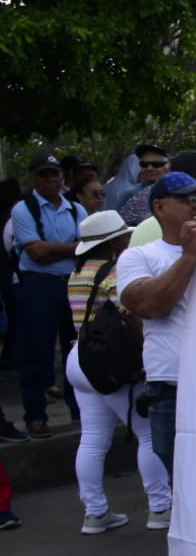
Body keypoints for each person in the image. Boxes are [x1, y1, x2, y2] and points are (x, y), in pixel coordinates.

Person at [65, 212, 171, 534]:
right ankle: (161, 508)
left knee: (93, 438)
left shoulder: (78, 273)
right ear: (115, 242)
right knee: (148, 432)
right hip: (111, 363)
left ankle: (95, 513)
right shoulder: (115, 274)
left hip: (79, 358)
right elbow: (133, 316)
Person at [117, 172, 196, 478]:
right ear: (160, 208)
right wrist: (189, 256)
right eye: (189, 200)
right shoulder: (138, 256)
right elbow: (150, 305)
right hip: (172, 389)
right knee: (184, 481)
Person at [10, 150, 88, 439]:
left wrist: (55, 248)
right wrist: (70, 248)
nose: (51, 180)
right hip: (38, 284)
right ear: (32, 178)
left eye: (55, 174)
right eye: (44, 174)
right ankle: (35, 416)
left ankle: (78, 409)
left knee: (76, 348)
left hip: (71, 283)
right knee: (36, 350)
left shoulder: (75, 208)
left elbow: (85, 248)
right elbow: (36, 252)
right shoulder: (23, 209)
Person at [112, 144, 170, 221]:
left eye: (156, 164)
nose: (149, 168)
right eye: (144, 165)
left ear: (168, 166)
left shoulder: (178, 191)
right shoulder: (130, 194)